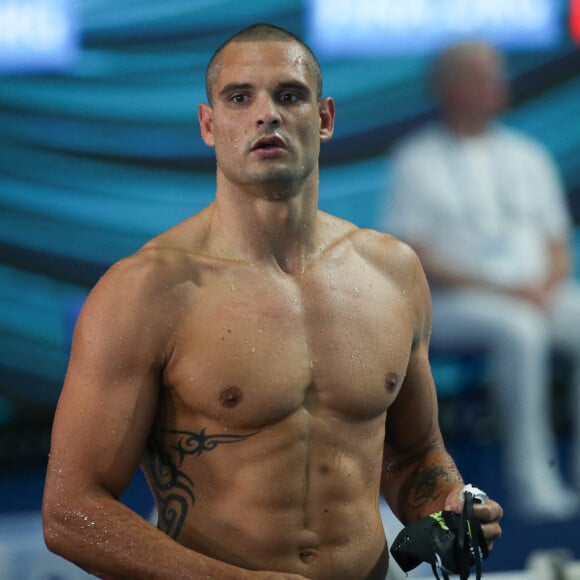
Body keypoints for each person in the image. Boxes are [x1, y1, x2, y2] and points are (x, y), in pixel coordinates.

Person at [42, 24, 503, 579]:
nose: (267, 114)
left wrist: (451, 505)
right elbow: (70, 511)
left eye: (289, 95)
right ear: (209, 125)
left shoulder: (392, 272)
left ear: (325, 118)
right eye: (241, 97)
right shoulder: (146, 291)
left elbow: (414, 457)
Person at [383, 40, 580, 521]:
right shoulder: (417, 160)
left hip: (536, 292)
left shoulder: (527, 155)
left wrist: (544, 284)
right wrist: (502, 290)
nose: (497, 83)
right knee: (518, 329)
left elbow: (557, 245)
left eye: (496, 73)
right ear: (449, 87)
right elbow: (413, 254)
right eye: (483, 75)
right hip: (456, 302)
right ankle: (534, 481)